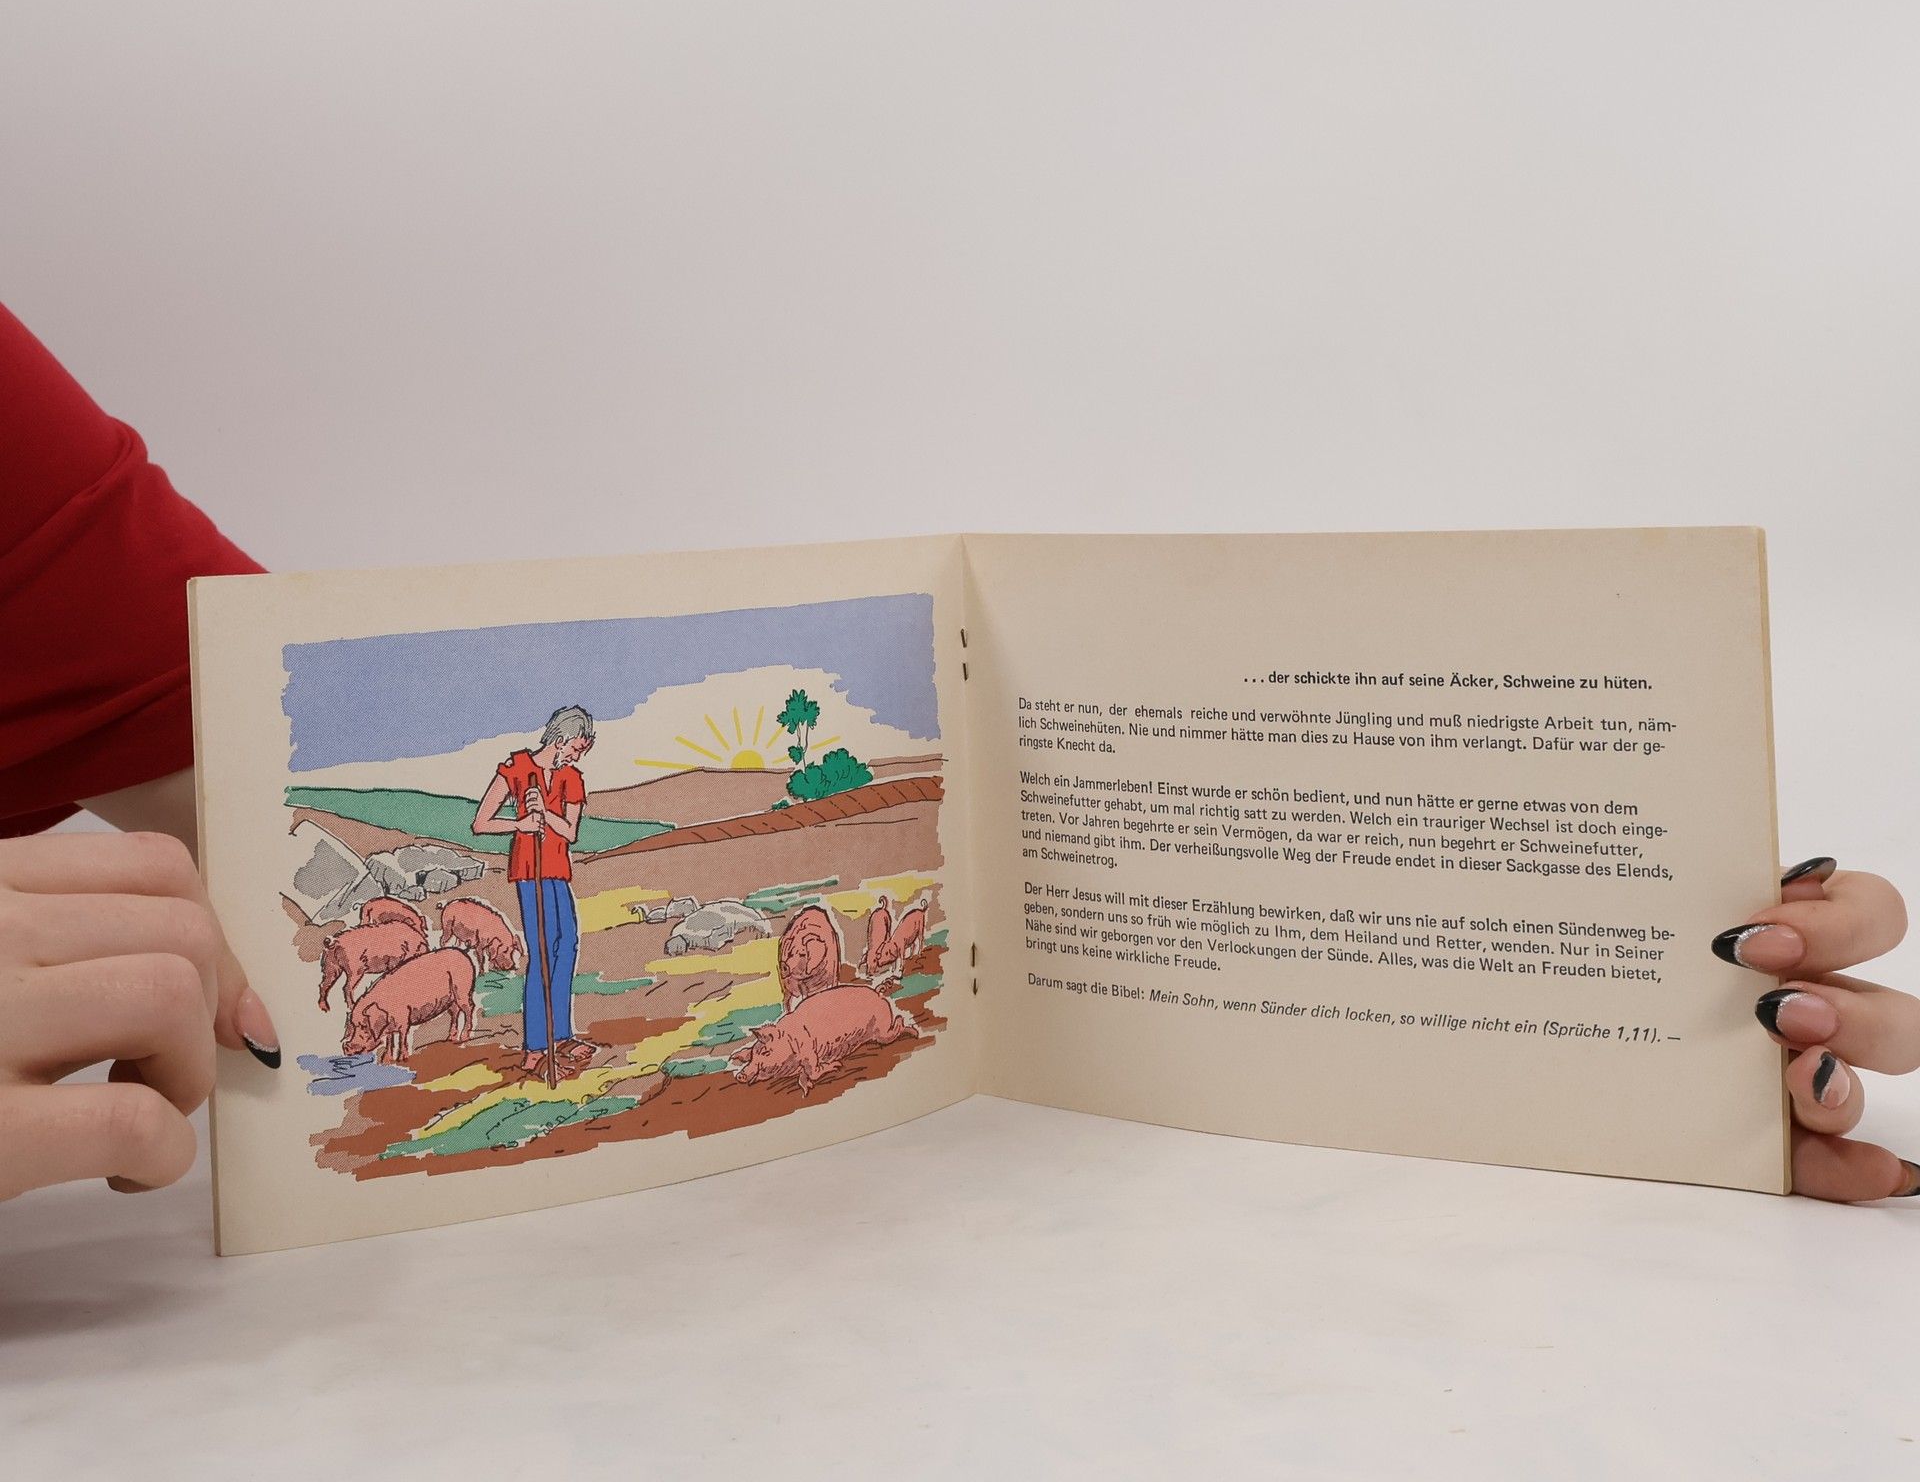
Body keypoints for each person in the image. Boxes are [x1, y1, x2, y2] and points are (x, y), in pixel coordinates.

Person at [0, 298, 1916, 1201]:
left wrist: (1595, 996)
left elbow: (252, 814)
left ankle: (564, 1039)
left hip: (549, 917)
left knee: (551, 973)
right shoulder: (533, 792)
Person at [471, 706, 598, 1076]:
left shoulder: (571, 778)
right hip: (530, 872)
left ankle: (561, 1035)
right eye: (575, 748)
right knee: (542, 951)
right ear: (560, 740)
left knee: (567, 944)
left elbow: (570, 832)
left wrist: (545, 812)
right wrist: (521, 824)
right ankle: (535, 1048)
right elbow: (481, 822)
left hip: (558, 870)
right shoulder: (517, 768)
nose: (576, 756)